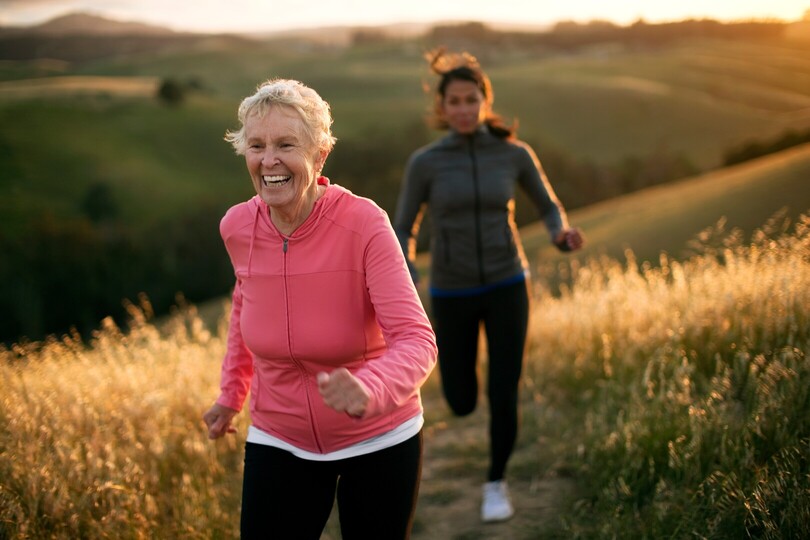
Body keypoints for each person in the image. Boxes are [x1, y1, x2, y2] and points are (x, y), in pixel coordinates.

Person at [203, 78, 438, 540]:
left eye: (286, 144)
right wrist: (232, 394)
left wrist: (369, 387)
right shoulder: (236, 227)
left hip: (378, 434)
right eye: (257, 145)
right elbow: (245, 304)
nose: (269, 160)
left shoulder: (364, 223)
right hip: (278, 434)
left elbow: (417, 340)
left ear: (319, 155)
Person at [393, 49, 584, 523]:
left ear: (485, 100)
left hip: (507, 283)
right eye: (453, 101)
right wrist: (406, 274)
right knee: (460, 400)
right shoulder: (426, 162)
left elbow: (549, 205)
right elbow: (403, 229)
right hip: (451, 291)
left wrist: (561, 234)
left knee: (505, 389)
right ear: (441, 107)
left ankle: (496, 482)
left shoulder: (514, 153)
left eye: (471, 99)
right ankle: (466, 402)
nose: (462, 108)